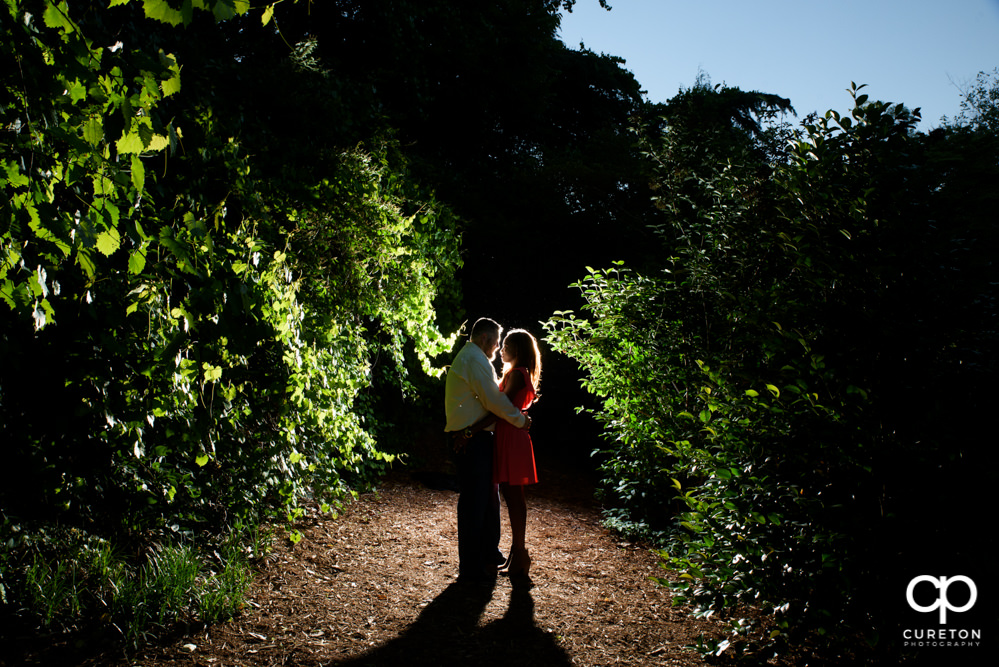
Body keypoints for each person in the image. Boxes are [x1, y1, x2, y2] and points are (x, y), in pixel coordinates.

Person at [444, 318, 532, 583]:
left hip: (480, 438)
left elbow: (493, 400)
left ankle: (488, 555)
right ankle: (472, 566)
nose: (497, 348)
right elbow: (494, 401)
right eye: (496, 342)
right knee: (475, 502)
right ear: (484, 338)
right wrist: (520, 420)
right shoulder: (474, 359)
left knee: (487, 500)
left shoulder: (476, 359)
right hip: (473, 440)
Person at [493, 329, 542, 579]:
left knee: (514, 497)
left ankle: (520, 553)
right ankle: (517, 552)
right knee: (512, 497)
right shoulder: (516, 374)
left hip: (512, 437)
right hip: (510, 435)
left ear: (518, 350)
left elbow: (500, 406)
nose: (502, 349)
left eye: (507, 345)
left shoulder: (517, 374)